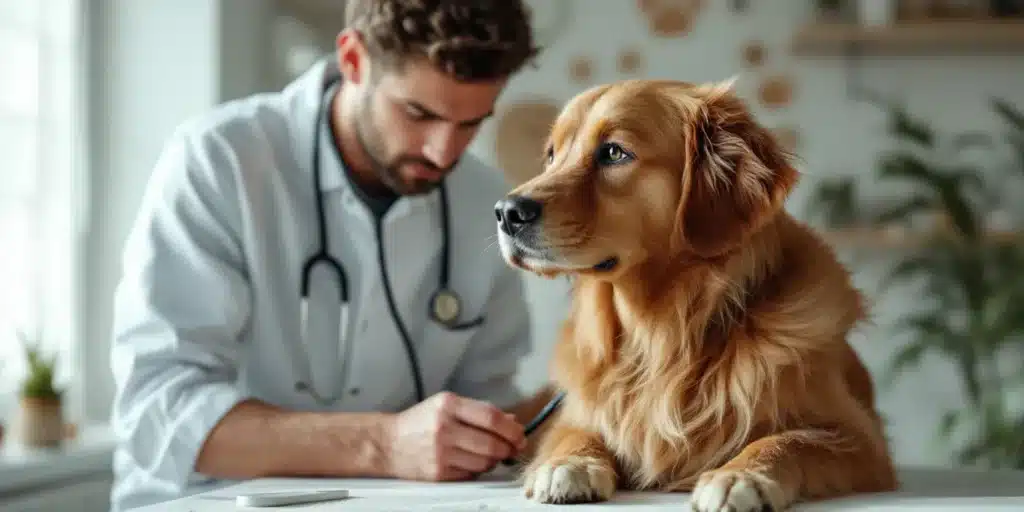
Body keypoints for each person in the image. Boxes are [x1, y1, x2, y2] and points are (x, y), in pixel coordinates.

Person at [107, 1, 555, 510]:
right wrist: (384, 444)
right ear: (353, 59)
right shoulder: (220, 161)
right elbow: (158, 413)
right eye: (418, 113)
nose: (442, 152)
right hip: (202, 500)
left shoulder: (482, 199)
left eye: (472, 123)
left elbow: (484, 404)